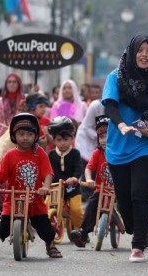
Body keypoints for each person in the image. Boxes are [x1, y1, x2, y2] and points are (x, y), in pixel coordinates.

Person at [101, 34, 148, 262]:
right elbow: (110, 106)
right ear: (132, 53)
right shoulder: (115, 76)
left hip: (146, 146)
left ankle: (138, 245)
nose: (144, 55)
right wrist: (121, 124)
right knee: (124, 199)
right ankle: (136, 230)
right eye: (140, 50)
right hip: (118, 145)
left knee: (139, 193)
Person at [0, 113, 62, 258]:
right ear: (14, 136)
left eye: (29, 134)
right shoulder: (9, 155)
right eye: (21, 134)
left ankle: (50, 245)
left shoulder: (40, 153)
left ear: (35, 136)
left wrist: (45, 187)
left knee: (46, 230)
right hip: (13, 201)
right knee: (3, 232)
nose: (25, 138)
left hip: (35, 201)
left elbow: (48, 174)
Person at [70, 115, 112, 247]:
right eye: (101, 137)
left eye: (107, 136)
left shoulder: (120, 152)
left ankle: (140, 234)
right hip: (101, 189)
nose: (104, 140)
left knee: (129, 205)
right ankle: (83, 232)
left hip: (118, 190)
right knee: (92, 202)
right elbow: (89, 168)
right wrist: (88, 179)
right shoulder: (97, 153)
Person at [48, 116, 84, 232]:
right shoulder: (51, 155)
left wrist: (74, 178)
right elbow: (48, 171)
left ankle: (80, 230)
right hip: (56, 188)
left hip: (72, 188)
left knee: (76, 210)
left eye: (66, 139)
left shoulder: (75, 153)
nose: (63, 143)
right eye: (59, 140)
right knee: (45, 204)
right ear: (54, 140)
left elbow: (79, 168)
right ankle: (47, 226)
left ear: (72, 138)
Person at [75, 99, 105, 200]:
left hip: (102, 141)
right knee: (88, 166)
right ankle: (86, 196)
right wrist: (101, 139)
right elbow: (87, 127)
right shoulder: (95, 106)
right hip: (86, 139)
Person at [0, 73, 25, 143]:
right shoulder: (0, 101)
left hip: (20, 134)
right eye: (9, 82)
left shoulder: (24, 99)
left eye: (14, 82)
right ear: (6, 84)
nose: (11, 84)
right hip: (4, 134)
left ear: (18, 84)